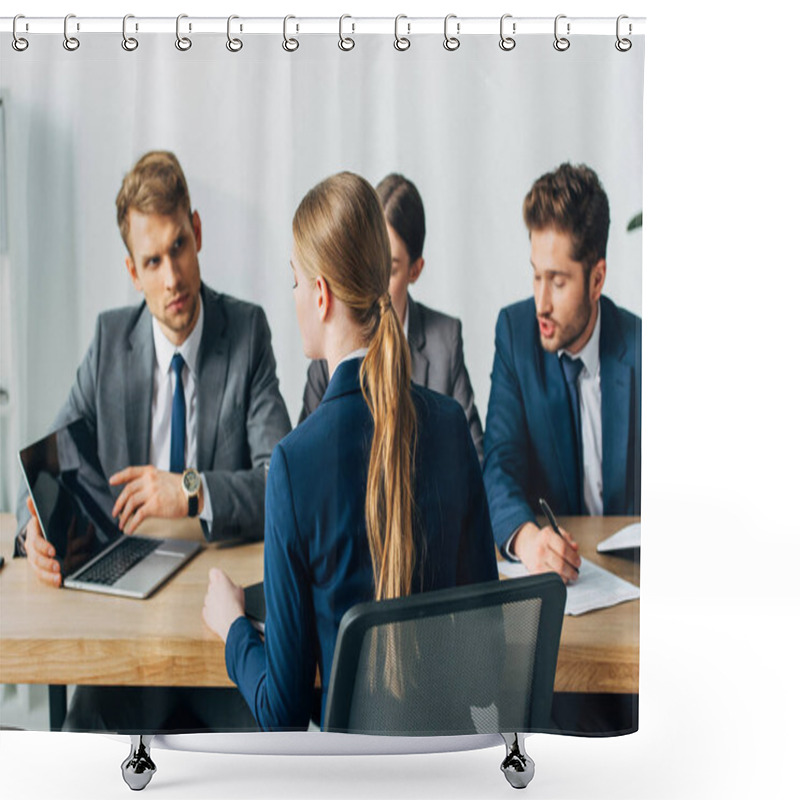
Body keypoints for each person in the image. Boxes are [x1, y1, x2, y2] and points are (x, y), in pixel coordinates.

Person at [202, 172, 497, 731]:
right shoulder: (451, 427)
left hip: (352, 781)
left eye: (293, 282)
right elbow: (489, 646)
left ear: (320, 294)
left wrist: (234, 626)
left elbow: (282, 712)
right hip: (447, 772)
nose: (292, 298)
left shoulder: (293, 465)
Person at [14, 150, 292, 732]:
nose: (172, 278)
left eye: (178, 249)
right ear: (132, 271)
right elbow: (43, 471)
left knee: (265, 761)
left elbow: (281, 488)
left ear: (197, 231)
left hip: (220, 634)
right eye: (152, 261)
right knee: (76, 747)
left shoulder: (246, 335)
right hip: (125, 631)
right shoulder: (110, 340)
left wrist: (189, 491)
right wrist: (32, 531)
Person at [482, 163, 641, 735]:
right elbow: (497, 463)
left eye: (558, 280)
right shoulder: (515, 335)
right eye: (535, 276)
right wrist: (526, 538)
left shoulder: (643, 347)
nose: (541, 301)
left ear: (597, 278)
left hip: (638, 613)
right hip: (564, 612)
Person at [299, 173, 484, 459]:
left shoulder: (445, 342)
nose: (376, 281)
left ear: (416, 270)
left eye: (391, 268)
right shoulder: (328, 342)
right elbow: (306, 458)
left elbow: (474, 455)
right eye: (371, 263)